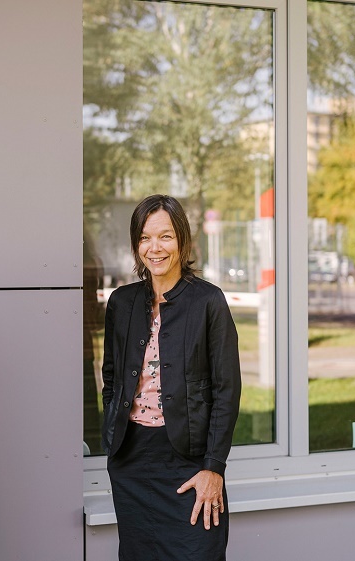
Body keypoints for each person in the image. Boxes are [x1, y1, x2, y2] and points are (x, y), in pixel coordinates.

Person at [102, 194, 241, 561]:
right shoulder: (122, 302)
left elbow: (227, 391)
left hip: (189, 461)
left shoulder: (208, 302)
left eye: (165, 236)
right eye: (145, 238)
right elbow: (112, 378)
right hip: (131, 460)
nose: (155, 248)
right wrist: (113, 439)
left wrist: (213, 467)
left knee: (197, 553)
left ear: (182, 239)